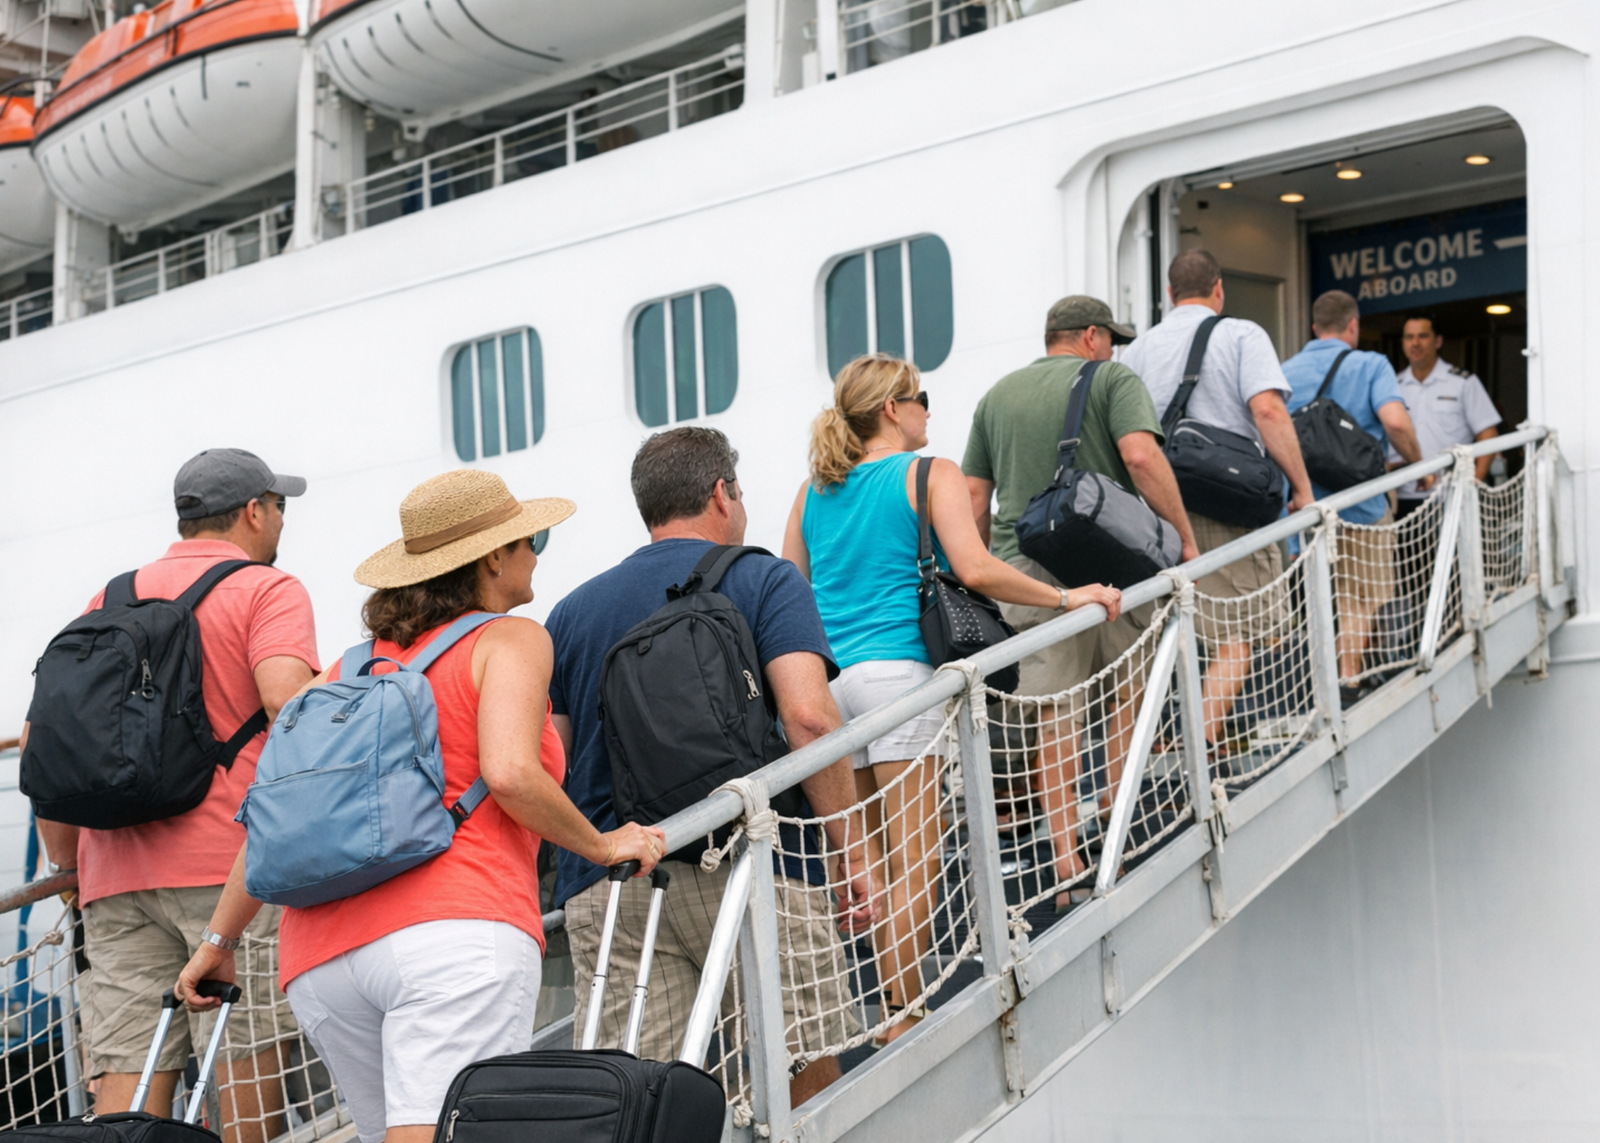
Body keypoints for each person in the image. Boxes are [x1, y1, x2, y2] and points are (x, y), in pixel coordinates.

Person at [174, 469, 664, 1143]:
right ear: (493, 555)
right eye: (533, 538)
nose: (538, 553)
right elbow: (511, 771)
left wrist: (218, 941)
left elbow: (270, 818)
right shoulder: (509, 638)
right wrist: (606, 844)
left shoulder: (340, 671)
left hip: (321, 960)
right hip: (455, 934)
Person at [783, 353, 1119, 1034]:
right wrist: (1064, 594)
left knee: (872, 862)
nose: (929, 410)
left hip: (834, 687)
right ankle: (902, 1017)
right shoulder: (925, 473)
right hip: (901, 681)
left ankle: (887, 1013)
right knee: (916, 863)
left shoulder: (813, 489)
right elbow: (975, 566)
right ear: (891, 409)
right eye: (921, 397)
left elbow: (791, 589)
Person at [547, 427, 874, 1107]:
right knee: (800, 1066)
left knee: (643, 1101)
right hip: (751, 864)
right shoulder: (762, 576)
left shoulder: (572, 613)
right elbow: (809, 717)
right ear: (722, 492)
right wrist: (854, 849)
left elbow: (552, 761)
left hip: (612, 882)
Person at [22, 449, 314, 1143]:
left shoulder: (109, 597)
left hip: (113, 879)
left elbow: (47, 736)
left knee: (127, 1081)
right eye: (280, 505)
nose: (280, 519)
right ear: (254, 510)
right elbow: (286, 699)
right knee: (242, 1064)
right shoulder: (266, 589)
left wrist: (70, 869)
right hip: (230, 875)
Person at [960, 299, 1184, 911]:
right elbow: (1141, 456)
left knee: (1056, 710)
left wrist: (984, 573)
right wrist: (1182, 536)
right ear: (1090, 336)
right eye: (1109, 339)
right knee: (1124, 695)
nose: (1112, 350)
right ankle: (1118, 825)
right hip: (1116, 563)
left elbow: (975, 498)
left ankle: (1064, 857)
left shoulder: (998, 395)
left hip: (1028, 567)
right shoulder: (1111, 378)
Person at [1120, 250, 1315, 752]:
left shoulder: (1138, 350)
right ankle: (1200, 743)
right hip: (1227, 505)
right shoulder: (1242, 334)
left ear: (1169, 294)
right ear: (1219, 289)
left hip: (1159, 506)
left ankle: (1166, 736)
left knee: (1175, 623)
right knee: (1237, 632)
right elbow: (1268, 410)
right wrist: (1302, 487)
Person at [1282, 290, 1430, 704]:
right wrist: (1422, 467)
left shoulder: (1284, 371)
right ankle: (1348, 682)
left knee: (1315, 597)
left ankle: (1316, 686)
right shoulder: (1370, 364)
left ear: (1314, 328)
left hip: (1304, 508)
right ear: (1353, 325)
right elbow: (1396, 423)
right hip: (1362, 506)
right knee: (1359, 597)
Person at [1392, 313, 1502, 518]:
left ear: (1438, 341)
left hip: (1453, 495)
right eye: (1409, 337)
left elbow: (1488, 432)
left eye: (1423, 336)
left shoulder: (1463, 382)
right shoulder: (1392, 387)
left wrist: (1474, 482)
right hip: (1403, 498)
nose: (1415, 343)